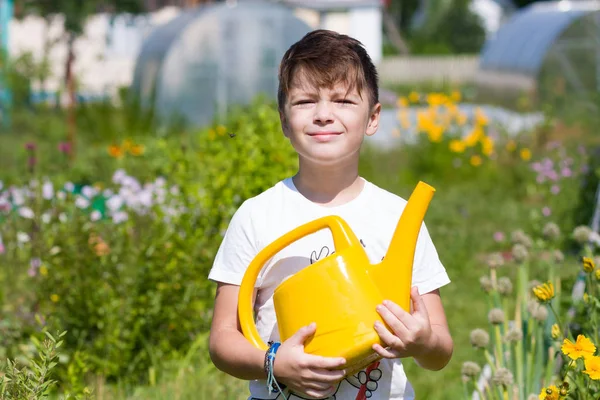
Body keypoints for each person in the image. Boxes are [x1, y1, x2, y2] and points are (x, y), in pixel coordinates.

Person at [208, 29, 453, 400]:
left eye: (342, 101)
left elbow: (440, 351)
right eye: (305, 101)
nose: (324, 115)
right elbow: (222, 339)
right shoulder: (257, 216)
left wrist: (421, 341)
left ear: (373, 118)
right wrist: (273, 362)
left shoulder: (398, 217)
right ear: (284, 121)